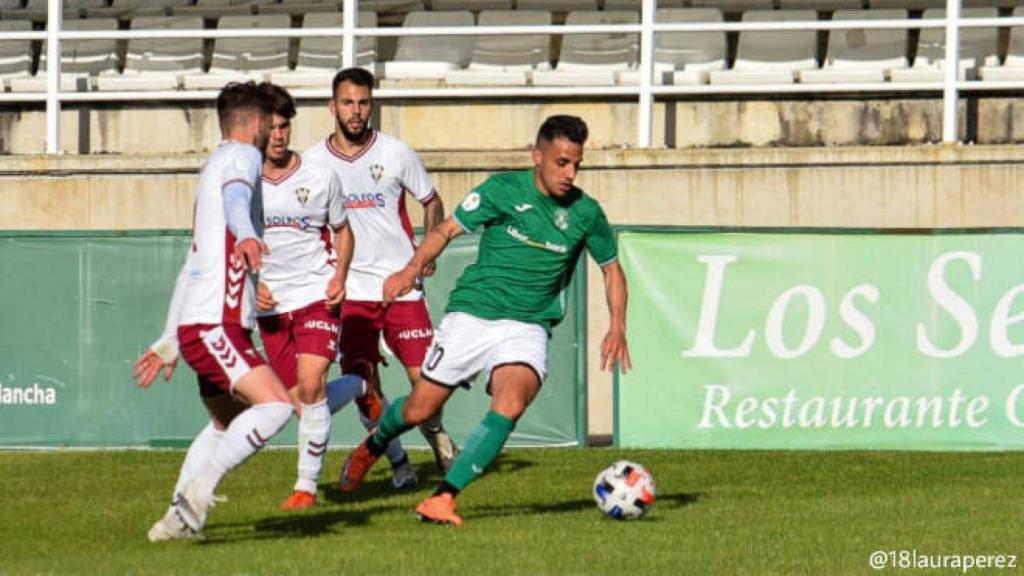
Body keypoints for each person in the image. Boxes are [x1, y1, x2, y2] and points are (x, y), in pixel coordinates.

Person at [338, 115, 632, 526]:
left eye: (576, 164)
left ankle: (443, 498)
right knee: (420, 409)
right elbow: (445, 231)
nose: (570, 173)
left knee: (510, 405)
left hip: (528, 326)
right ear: (537, 155)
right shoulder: (502, 190)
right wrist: (411, 269)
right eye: (561, 162)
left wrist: (617, 325)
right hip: (472, 315)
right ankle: (376, 443)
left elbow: (612, 268)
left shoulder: (585, 213)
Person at [133, 81, 294, 541]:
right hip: (216, 324)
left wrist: (170, 338)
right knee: (278, 407)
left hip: (198, 324)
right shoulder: (243, 159)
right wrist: (246, 233)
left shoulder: (212, 167)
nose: (273, 134)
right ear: (258, 124)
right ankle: (197, 495)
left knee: (224, 422)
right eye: (270, 124)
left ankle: (175, 521)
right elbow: (238, 200)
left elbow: (194, 261)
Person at [253, 83, 409, 510]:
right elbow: (232, 240)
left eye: (285, 126)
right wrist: (253, 283)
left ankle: (305, 488)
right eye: (272, 128)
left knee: (310, 384)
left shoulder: (320, 176)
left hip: (315, 296)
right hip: (269, 306)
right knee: (301, 404)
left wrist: (339, 276)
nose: (280, 135)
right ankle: (361, 388)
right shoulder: (243, 183)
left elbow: (343, 230)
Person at [305, 67, 458, 485]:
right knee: (363, 388)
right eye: (348, 103)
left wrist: (426, 250)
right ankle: (399, 464)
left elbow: (431, 200)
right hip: (351, 292)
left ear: (372, 105)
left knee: (425, 383)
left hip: (401, 287)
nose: (356, 111)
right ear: (332, 106)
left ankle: (439, 436)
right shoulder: (314, 163)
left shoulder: (395, 152)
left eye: (364, 102)